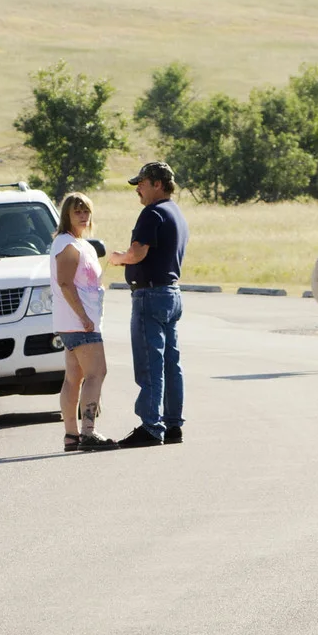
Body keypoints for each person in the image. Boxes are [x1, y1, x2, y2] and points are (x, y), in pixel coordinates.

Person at [105, 159, 187, 447]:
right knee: (170, 363)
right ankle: (173, 424)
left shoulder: (152, 213)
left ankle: (151, 427)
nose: (137, 189)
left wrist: (119, 257)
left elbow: (138, 253)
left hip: (150, 295)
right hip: (171, 293)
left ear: (158, 184)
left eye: (141, 183)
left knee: (150, 363)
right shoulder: (175, 212)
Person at [49, 193, 114, 453]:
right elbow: (65, 283)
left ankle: (71, 436)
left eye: (86, 211)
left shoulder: (81, 243)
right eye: (77, 212)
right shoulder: (67, 245)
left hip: (76, 322)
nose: (84, 216)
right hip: (79, 323)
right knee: (96, 373)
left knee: (73, 377)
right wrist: (85, 316)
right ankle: (88, 432)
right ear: (67, 215)